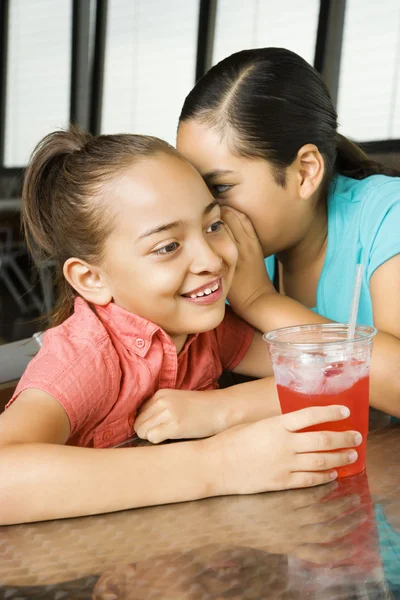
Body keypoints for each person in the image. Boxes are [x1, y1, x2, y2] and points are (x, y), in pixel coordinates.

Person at [0, 126, 361, 526]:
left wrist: (218, 410)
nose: (210, 259)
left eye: (213, 226)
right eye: (167, 246)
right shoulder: (87, 356)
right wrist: (218, 465)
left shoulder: (207, 329)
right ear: (91, 279)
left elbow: (331, 373)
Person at [177, 47, 400, 419]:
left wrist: (259, 300)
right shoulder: (225, 251)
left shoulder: (387, 216)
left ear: (306, 171)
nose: (207, 211)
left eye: (220, 188)